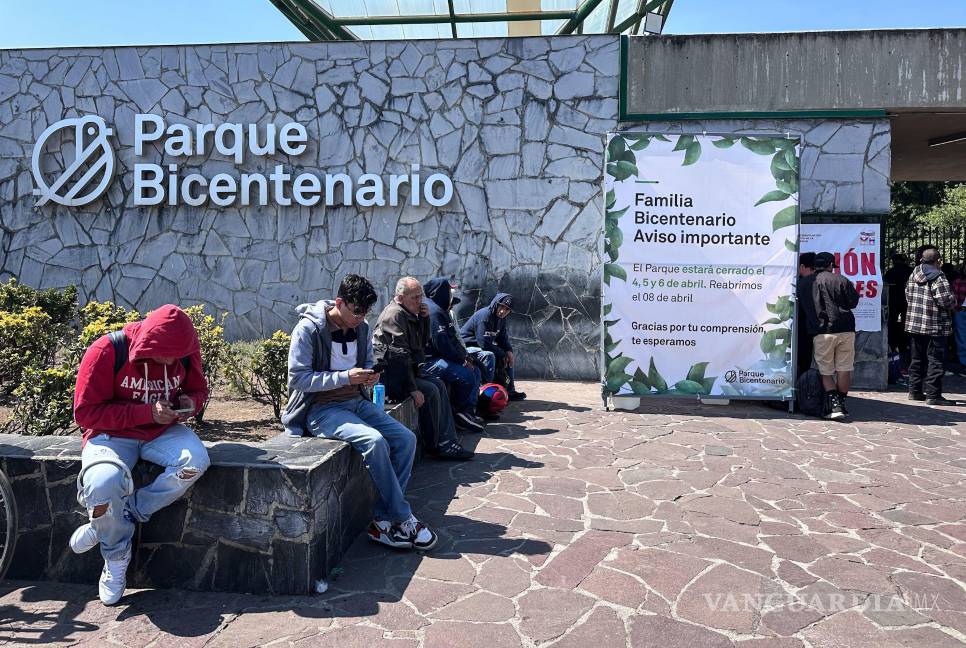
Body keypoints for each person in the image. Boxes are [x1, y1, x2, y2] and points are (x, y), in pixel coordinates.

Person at [282, 274, 438, 550]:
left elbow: (367, 361)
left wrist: (369, 376)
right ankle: (403, 517)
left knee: (406, 440)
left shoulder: (362, 328)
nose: (360, 318)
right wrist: (345, 377)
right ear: (339, 302)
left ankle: (382, 521)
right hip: (321, 409)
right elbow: (298, 378)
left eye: (366, 312)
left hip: (357, 401)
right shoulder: (308, 330)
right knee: (374, 441)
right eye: (356, 311)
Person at [70, 305, 211, 606]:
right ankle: (116, 553)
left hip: (162, 432)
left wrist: (190, 403)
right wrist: (145, 412)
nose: (172, 360)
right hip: (111, 435)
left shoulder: (183, 352)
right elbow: (85, 413)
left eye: (177, 355)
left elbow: (198, 389)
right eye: (164, 353)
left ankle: (122, 515)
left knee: (195, 461)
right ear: (148, 342)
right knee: (102, 482)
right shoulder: (107, 351)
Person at [373, 277, 473, 460]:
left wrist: (424, 320)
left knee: (439, 385)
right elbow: (400, 357)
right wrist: (413, 389)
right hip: (393, 378)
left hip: (407, 371)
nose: (420, 301)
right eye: (415, 297)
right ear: (401, 297)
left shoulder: (409, 313)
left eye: (421, 297)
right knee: (431, 390)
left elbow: (422, 343)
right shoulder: (394, 316)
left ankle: (446, 441)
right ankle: (438, 444)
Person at [420, 278, 486, 433]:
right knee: (466, 375)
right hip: (430, 361)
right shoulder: (434, 312)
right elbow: (442, 344)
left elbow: (453, 339)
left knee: (475, 370)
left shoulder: (441, 310)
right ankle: (459, 414)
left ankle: (468, 412)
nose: (451, 294)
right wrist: (461, 361)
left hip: (442, 356)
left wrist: (465, 357)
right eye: (448, 290)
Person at [905, 248, 962, 406]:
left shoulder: (914, 273)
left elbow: (907, 295)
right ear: (938, 261)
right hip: (935, 325)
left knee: (916, 359)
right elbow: (945, 301)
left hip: (915, 324)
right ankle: (933, 394)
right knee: (936, 361)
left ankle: (914, 391)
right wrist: (954, 301)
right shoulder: (939, 276)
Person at [810, 252, 860, 420]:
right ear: (831, 265)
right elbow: (853, 302)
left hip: (824, 330)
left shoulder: (812, 281)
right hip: (846, 327)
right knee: (844, 368)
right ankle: (842, 403)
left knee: (826, 371)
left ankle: (835, 405)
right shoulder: (842, 279)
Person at [460, 293, 527, 401]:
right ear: (496, 304)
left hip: (480, 346)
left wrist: (508, 350)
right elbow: (484, 344)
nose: (502, 311)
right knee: (490, 355)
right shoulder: (485, 316)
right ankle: (487, 393)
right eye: (501, 307)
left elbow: (502, 338)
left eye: (507, 309)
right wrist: (502, 353)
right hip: (468, 347)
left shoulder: (501, 318)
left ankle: (510, 391)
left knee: (508, 356)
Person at [883, 253, 913, 355]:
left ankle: (892, 342)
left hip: (893, 301)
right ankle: (906, 342)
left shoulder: (891, 272)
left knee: (892, 322)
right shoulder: (911, 271)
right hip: (908, 301)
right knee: (907, 322)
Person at [795, 252, 817, 377]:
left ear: (802, 266)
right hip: (816, 328)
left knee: (801, 359)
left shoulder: (798, 283)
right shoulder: (821, 280)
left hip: (802, 326)